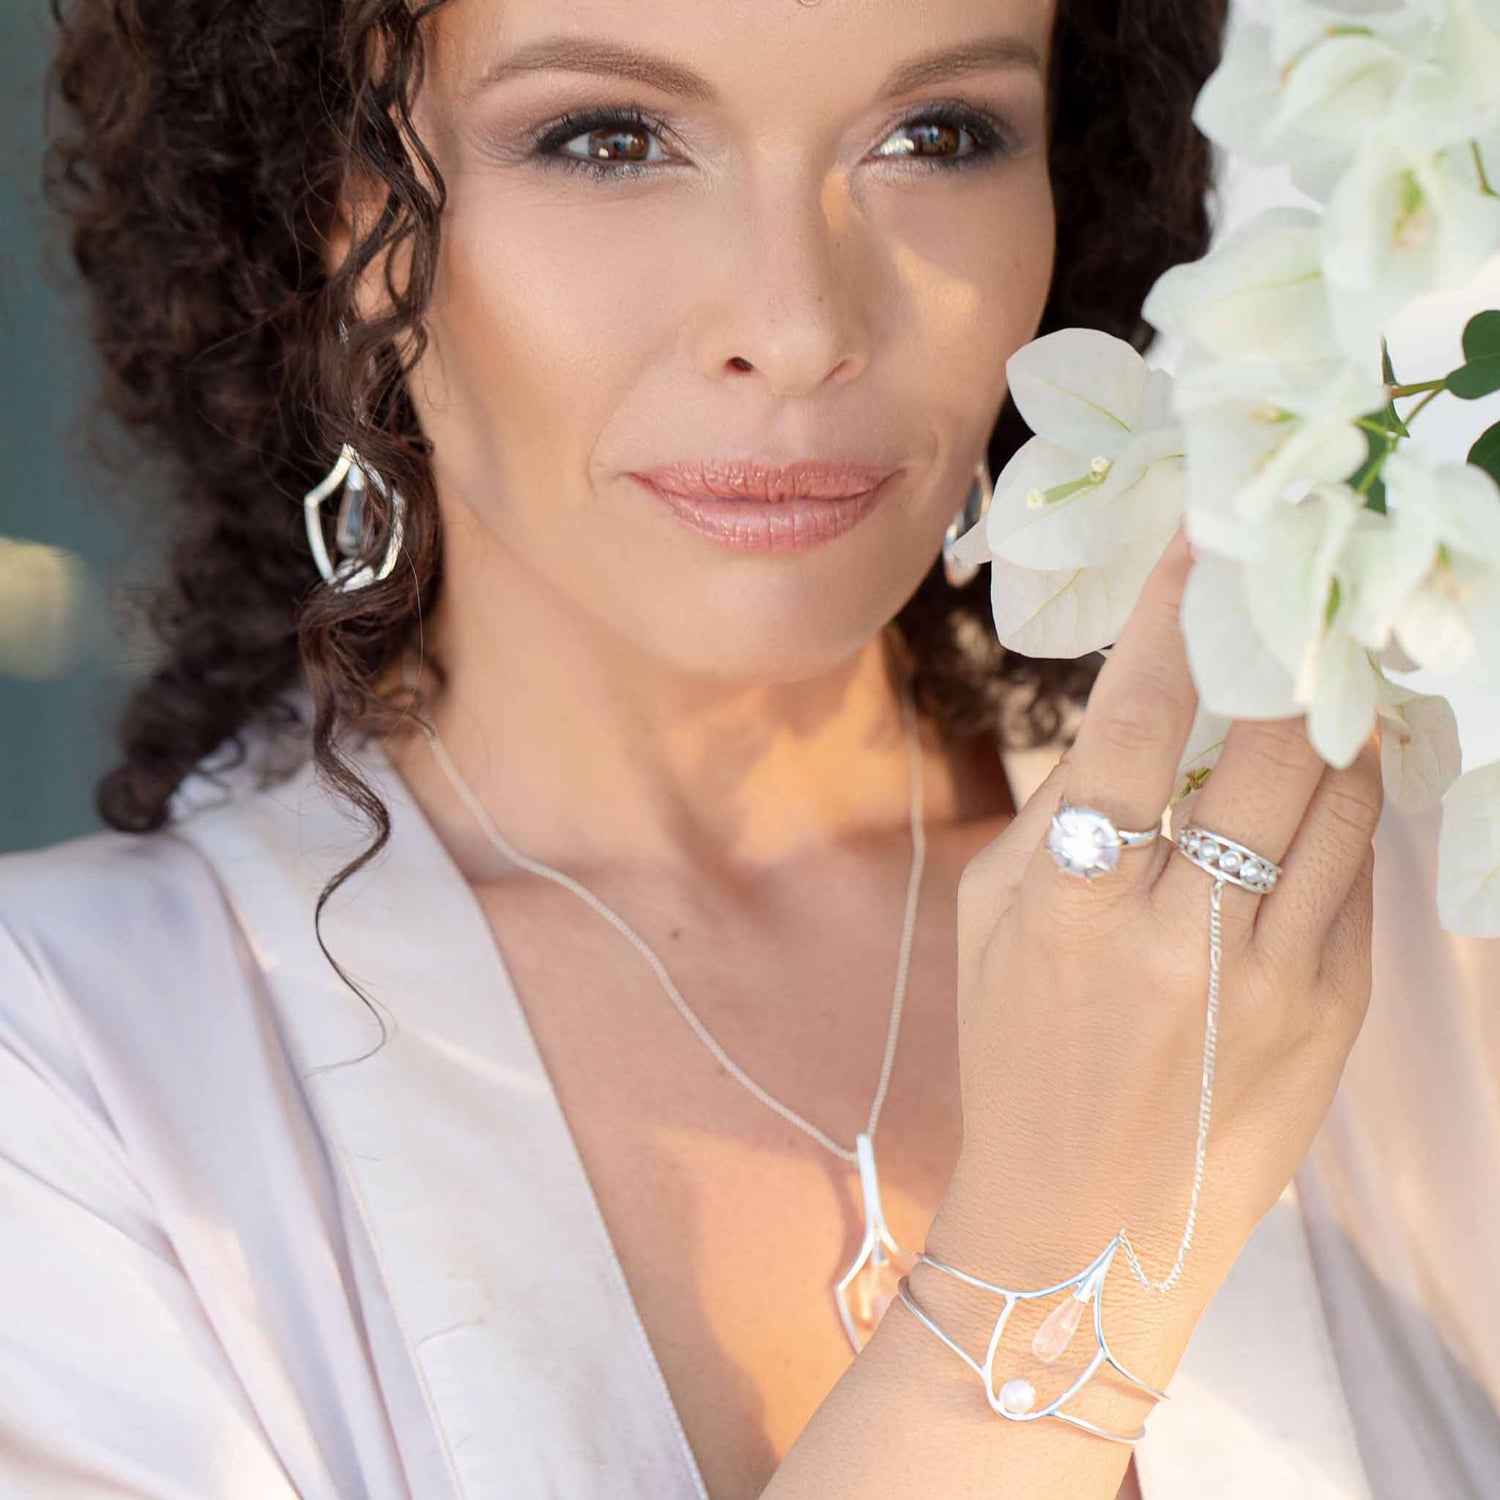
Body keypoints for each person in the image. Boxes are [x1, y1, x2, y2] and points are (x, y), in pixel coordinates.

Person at [2, 0, 1497, 1496]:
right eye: (609, 139)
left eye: (941, 135)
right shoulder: (68, 1085)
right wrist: (1036, 1299)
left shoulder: (1390, 878)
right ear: (337, 211)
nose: (798, 330)